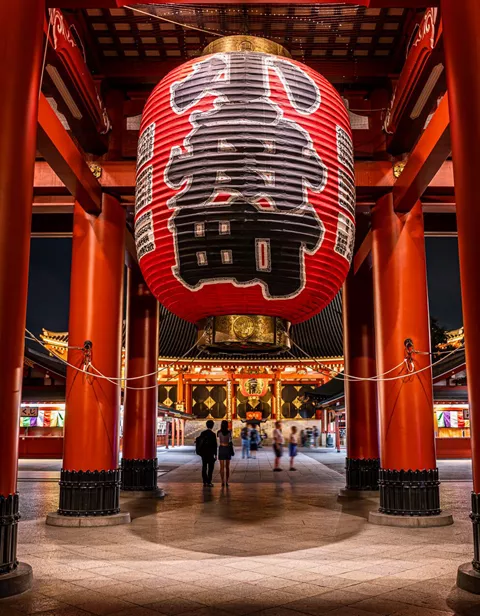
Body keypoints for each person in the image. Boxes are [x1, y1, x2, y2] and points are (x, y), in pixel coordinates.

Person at [197, 419, 217, 487]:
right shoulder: (213, 434)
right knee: (210, 468)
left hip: (204, 453)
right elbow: (215, 445)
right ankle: (209, 481)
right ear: (212, 426)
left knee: (204, 466)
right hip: (210, 453)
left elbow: (199, 441)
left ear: (206, 425)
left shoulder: (203, 433)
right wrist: (216, 454)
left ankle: (204, 481)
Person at [217, 420, 233, 487]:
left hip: (221, 448)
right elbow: (230, 440)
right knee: (227, 467)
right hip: (227, 449)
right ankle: (226, 482)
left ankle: (222, 481)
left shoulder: (218, 432)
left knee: (221, 467)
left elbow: (218, 441)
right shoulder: (229, 432)